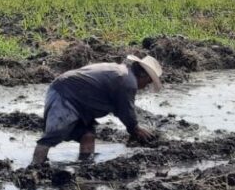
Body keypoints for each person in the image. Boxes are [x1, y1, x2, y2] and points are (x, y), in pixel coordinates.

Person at [31, 55, 163, 166]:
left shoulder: (123, 73)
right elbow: (125, 110)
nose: (146, 86)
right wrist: (135, 128)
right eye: (148, 82)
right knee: (54, 134)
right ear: (143, 75)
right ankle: (35, 167)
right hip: (66, 95)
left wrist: (133, 128)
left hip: (78, 102)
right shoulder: (127, 81)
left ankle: (84, 167)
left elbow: (120, 107)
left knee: (87, 135)